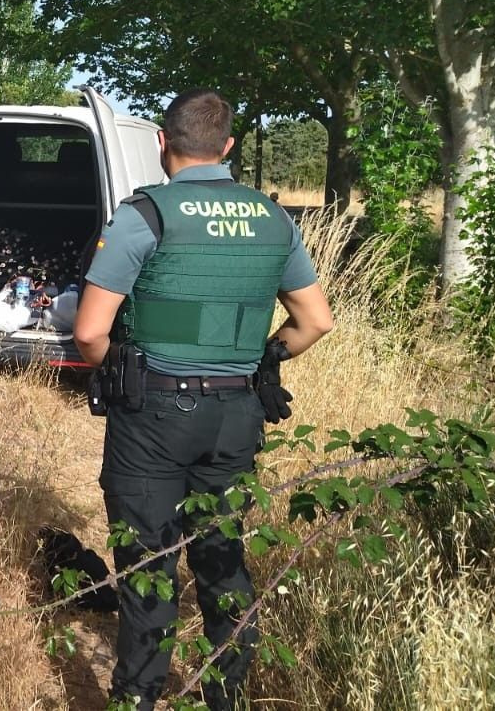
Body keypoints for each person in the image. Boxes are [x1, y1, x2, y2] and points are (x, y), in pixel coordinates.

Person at [73, 89, 334, 711]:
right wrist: (263, 360)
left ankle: (138, 700)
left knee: (147, 569)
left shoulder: (146, 215)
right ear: (229, 146)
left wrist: (121, 370)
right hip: (236, 415)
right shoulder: (273, 218)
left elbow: (89, 333)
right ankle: (226, 698)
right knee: (221, 558)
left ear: (163, 142)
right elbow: (316, 321)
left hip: (154, 415)